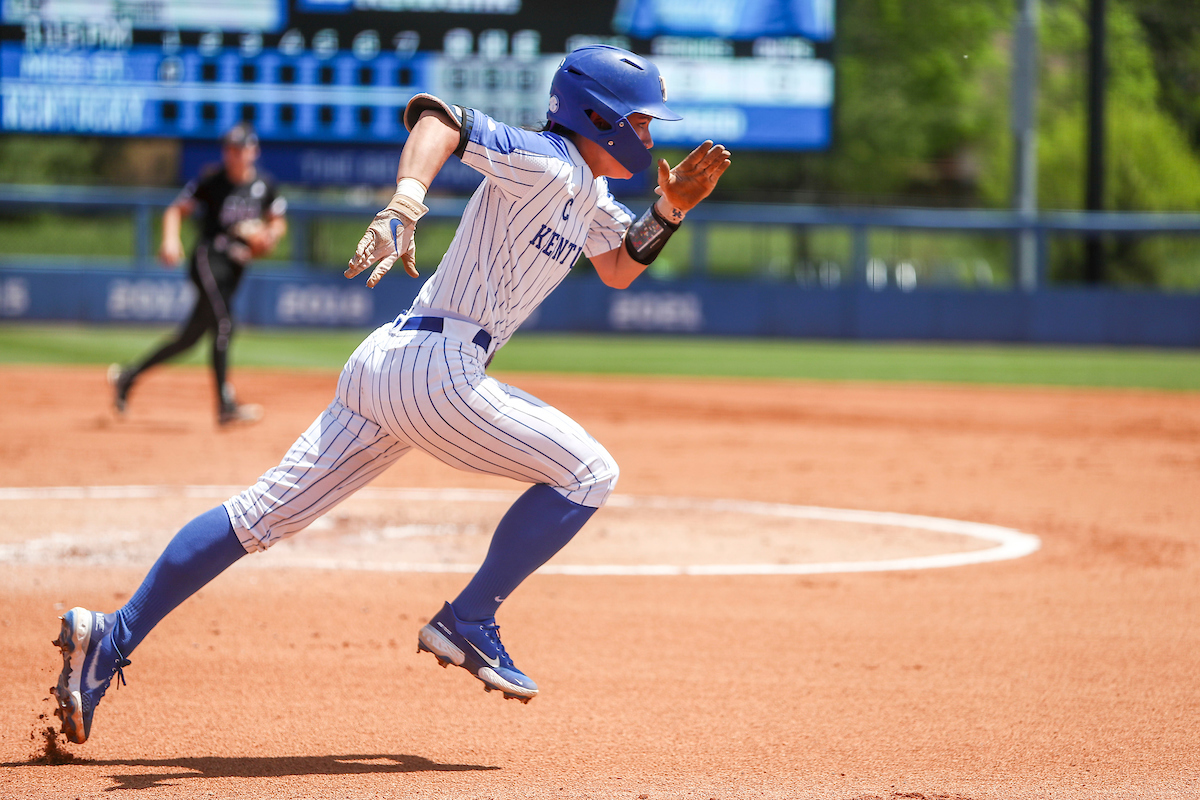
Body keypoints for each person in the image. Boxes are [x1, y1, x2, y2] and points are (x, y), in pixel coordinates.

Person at [51, 45, 731, 744]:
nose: (649, 135)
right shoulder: (548, 160)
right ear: (600, 117)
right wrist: (407, 200)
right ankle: (469, 619)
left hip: (390, 364)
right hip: (438, 370)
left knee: (257, 517)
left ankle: (110, 637)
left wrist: (669, 210)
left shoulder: (586, 192)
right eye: (641, 120)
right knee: (588, 473)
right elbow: (439, 119)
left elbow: (619, 266)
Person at [108, 122, 288, 426]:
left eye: (240, 148)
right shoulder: (213, 180)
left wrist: (268, 235)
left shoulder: (264, 185)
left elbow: (277, 221)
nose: (233, 154)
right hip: (208, 260)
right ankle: (225, 405)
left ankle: (128, 376)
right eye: (229, 148)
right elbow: (175, 210)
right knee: (225, 324)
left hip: (235, 269)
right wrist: (170, 239)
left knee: (189, 339)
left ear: (253, 150)